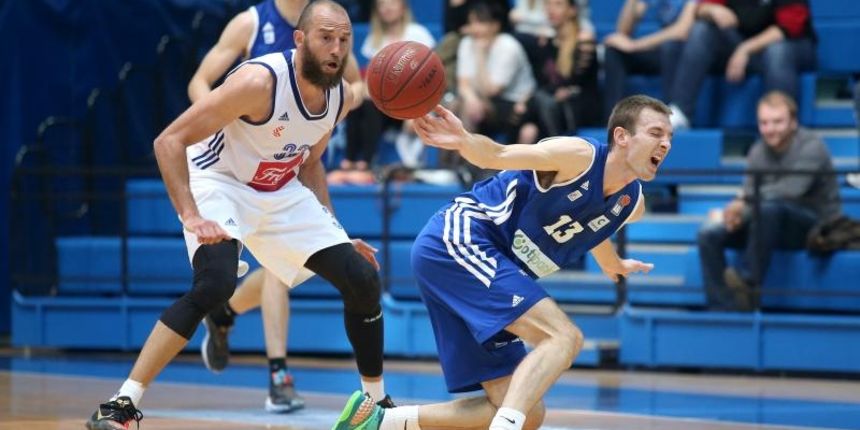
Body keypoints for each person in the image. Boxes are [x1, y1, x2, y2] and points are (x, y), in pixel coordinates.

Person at [86, 2, 393, 428]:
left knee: (362, 277)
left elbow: (310, 164)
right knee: (215, 283)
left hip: (278, 186)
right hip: (220, 180)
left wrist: (335, 231)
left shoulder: (339, 95)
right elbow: (168, 141)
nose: (336, 49)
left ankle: (377, 408)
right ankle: (121, 403)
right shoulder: (259, 82)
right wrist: (190, 214)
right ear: (300, 39)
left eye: (344, 39)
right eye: (326, 37)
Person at [332, 94, 670, 430]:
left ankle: (378, 422)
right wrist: (464, 140)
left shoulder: (631, 204)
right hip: (461, 240)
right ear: (622, 136)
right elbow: (499, 154)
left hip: (485, 265)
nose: (665, 143)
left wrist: (612, 263)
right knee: (563, 337)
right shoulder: (579, 156)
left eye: (669, 136)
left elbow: (596, 227)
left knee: (527, 411)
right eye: (655, 133)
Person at [186, 0, 363, 414]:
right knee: (277, 273)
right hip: (240, 165)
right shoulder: (250, 22)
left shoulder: (331, 28)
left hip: (294, 156)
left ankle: (225, 312)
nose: (335, 45)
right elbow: (200, 81)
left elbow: (357, 86)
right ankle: (278, 375)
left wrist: (336, 109)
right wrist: (215, 117)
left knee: (284, 270)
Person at [697, 91, 841, 311]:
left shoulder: (813, 146)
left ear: (793, 122)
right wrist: (736, 215)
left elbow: (791, 190)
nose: (770, 129)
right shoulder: (757, 151)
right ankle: (723, 308)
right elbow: (750, 197)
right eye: (764, 123)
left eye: (777, 122)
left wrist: (743, 203)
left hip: (815, 226)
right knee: (709, 234)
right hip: (766, 222)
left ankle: (748, 284)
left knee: (770, 208)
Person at [329, 0, 436, 183]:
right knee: (360, 100)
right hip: (384, 105)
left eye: (391, 3)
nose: (386, 8)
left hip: (410, 105)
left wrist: (417, 111)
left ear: (403, 6)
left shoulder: (418, 33)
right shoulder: (375, 39)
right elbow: (372, 77)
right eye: (382, 4)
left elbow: (430, 77)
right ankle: (351, 160)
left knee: (371, 104)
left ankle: (367, 164)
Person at [667, 0, 817, 129]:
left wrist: (745, 49)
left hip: (790, 45)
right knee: (702, 29)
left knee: (777, 51)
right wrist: (711, 9)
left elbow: (790, 26)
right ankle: (681, 111)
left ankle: (781, 122)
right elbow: (700, 8)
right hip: (740, 44)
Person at [516, 0, 600, 143]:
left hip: (577, 105)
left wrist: (553, 93)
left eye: (558, 4)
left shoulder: (584, 41)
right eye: (548, 4)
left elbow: (575, 82)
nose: (551, 9)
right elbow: (543, 81)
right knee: (528, 129)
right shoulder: (546, 43)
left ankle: (556, 147)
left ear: (572, 10)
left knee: (537, 102)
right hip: (550, 105)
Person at [457, 1, 536, 145]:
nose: (474, 28)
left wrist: (480, 55)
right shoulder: (467, 43)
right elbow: (463, 84)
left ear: (495, 25)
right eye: (471, 22)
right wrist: (471, 99)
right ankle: (455, 158)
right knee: (456, 105)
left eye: (480, 22)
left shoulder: (508, 47)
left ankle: (464, 157)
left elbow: (492, 91)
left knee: (469, 110)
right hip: (484, 103)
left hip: (514, 104)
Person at [602, 0, 696, 120]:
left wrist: (635, 45)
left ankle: (671, 115)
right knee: (615, 50)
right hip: (662, 51)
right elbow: (623, 32)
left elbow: (682, 31)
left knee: (670, 47)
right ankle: (614, 119)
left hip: (688, 53)